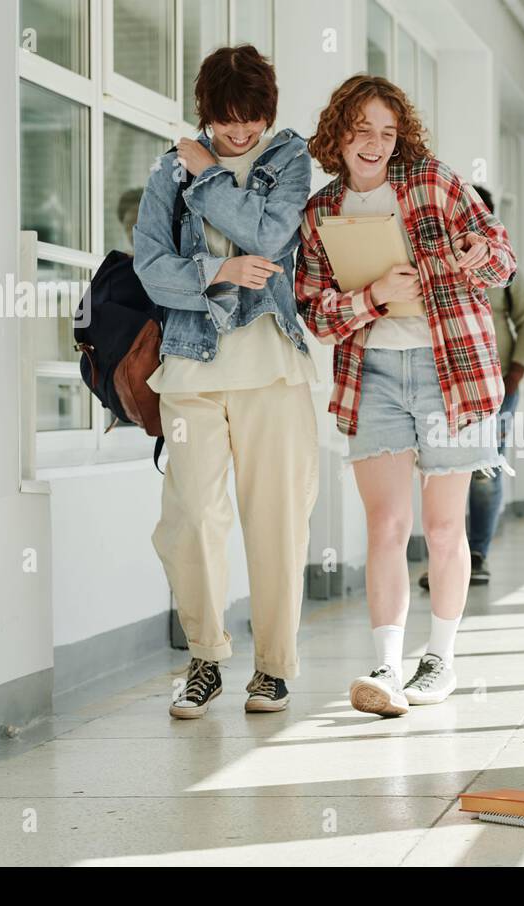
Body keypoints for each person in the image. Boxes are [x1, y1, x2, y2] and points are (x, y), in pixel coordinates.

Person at [295, 74, 516, 717]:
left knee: (445, 527)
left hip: (452, 368)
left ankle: (439, 661)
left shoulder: (435, 182)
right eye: (362, 130)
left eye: (387, 133)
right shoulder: (321, 214)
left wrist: (480, 250)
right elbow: (316, 314)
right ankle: (387, 666)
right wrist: (374, 298)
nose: (375, 144)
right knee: (386, 525)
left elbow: (501, 257)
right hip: (373, 378)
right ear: (338, 134)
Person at [133, 44, 319, 719]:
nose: (240, 132)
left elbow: (270, 238)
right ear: (204, 111)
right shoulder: (166, 168)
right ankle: (205, 657)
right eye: (225, 121)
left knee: (277, 520)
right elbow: (149, 266)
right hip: (190, 366)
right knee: (188, 523)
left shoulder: (288, 158)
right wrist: (215, 272)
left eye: (251, 120)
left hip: (272, 368)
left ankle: (273, 668)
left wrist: (209, 172)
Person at [418, 184, 524, 590]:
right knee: (438, 472)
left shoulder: (505, 271)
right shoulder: (431, 264)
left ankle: (477, 553)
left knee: (484, 472)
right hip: (442, 386)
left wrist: (516, 374)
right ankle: (441, 559)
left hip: (496, 389)